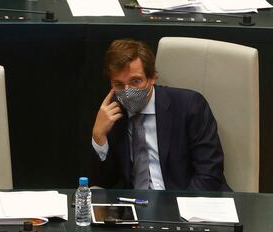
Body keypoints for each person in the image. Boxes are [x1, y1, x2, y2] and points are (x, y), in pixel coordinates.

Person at [91, 39, 231, 191]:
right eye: (119, 85)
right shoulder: (112, 115)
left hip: (188, 204)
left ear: (152, 78)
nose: (127, 92)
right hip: (136, 207)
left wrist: (176, 210)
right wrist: (99, 137)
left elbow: (209, 174)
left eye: (135, 81)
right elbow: (105, 184)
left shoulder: (190, 106)